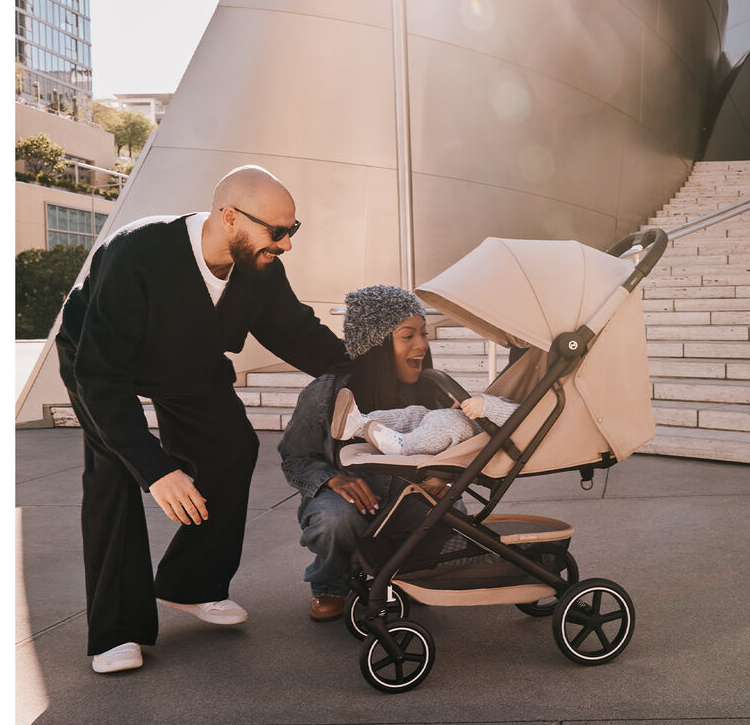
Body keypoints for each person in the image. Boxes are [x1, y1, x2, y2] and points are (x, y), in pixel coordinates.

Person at [56, 165, 347, 673]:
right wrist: (157, 468)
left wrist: (371, 372)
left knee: (233, 447)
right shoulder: (138, 252)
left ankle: (191, 583)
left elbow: (300, 335)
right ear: (229, 217)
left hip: (188, 361)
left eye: (291, 231)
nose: (286, 244)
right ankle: (116, 631)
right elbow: (100, 379)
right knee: (113, 473)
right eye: (276, 231)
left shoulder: (259, 270)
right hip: (99, 363)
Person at [278, 285, 445, 622]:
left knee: (447, 510)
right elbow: (295, 457)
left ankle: (407, 575)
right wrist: (332, 478)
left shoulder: (431, 388)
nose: (422, 345)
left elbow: (453, 440)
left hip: (405, 496)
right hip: (345, 503)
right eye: (407, 336)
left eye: (424, 334)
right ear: (376, 344)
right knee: (333, 519)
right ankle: (330, 584)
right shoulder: (325, 391)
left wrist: (441, 476)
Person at [330, 386, 518, 455]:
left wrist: (486, 405)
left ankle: (404, 446)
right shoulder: (537, 398)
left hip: (472, 433)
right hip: (457, 418)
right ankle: (359, 423)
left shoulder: (538, 412)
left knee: (450, 424)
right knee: (415, 413)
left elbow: (518, 419)